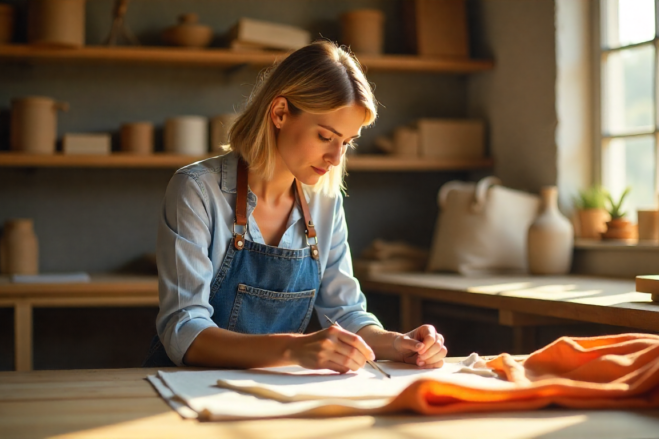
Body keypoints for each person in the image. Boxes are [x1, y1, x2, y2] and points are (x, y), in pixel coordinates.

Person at [143, 41, 447, 373]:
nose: (336, 159)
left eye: (346, 142)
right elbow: (183, 329)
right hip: (187, 390)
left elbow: (345, 312)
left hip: (274, 391)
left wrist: (398, 344)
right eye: (326, 137)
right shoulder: (198, 190)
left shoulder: (324, 200)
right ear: (280, 113)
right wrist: (293, 349)